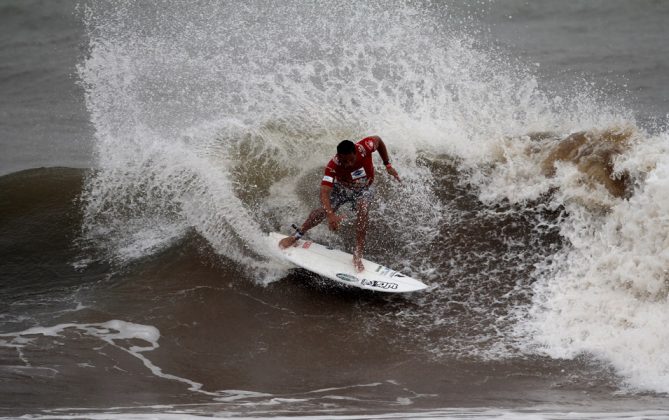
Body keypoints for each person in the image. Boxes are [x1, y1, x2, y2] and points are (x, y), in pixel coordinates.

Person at [278, 135, 401, 272]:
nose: (347, 164)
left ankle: (358, 255)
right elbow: (324, 192)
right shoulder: (333, 165)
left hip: (364, 189)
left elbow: (378, 140)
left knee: (363, 210)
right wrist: (330, 215)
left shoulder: (365, 147)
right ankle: (296, 236)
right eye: (344, 161)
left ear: (355, 152)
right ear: (338, 156)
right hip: (342, 188)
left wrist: (387, 164)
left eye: (351, 160)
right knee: (322, 211)